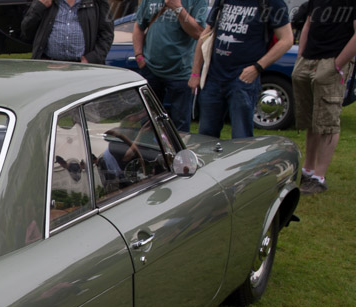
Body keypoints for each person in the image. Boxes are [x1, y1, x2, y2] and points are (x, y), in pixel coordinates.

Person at [189, 0, 292, 139]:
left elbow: (287, 39)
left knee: (241, 138)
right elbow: (206, 34)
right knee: (205, 137)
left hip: (243, 80)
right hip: (213, 77)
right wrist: (195, 73)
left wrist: (257, 68)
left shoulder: (271, 2)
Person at [291, 0, 356, 194]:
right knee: (312, 117)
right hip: (310, 58)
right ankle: (308, 171)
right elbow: (308, 24)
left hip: (333, 59)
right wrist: (301, 54)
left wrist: (338, 64)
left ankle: (319, 178)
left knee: (328, 120)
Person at [132, 0, 206, 132]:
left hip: (180, 73)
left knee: (180, 126)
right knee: (147, 122)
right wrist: (139, 56)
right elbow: (139, 25)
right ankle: (147, 151)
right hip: (150, 69)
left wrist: (178, 8)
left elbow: (198, 33)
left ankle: (178, 153)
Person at [20, 0, 114, 63]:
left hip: (83, 68)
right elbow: (26, 31)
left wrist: (92, 58)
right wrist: (39, 7)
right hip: (49, 66)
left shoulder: (97, 3)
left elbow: (107, 34)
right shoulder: (46, 2)